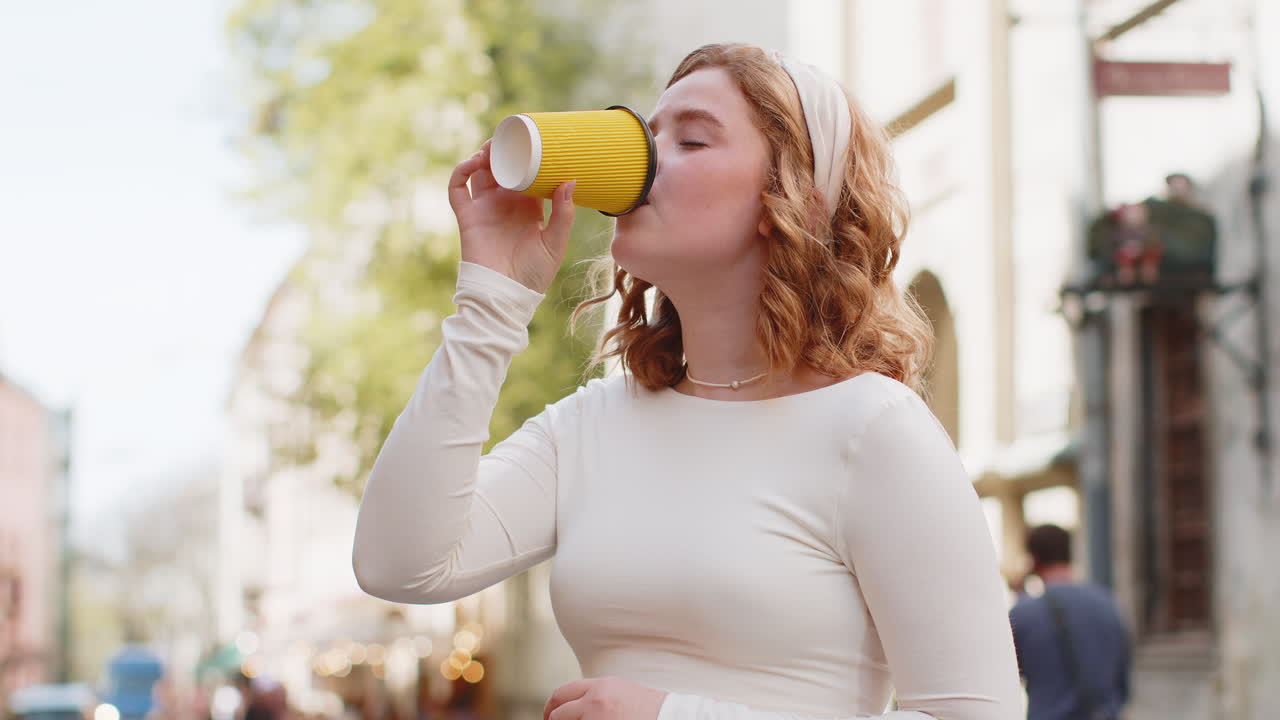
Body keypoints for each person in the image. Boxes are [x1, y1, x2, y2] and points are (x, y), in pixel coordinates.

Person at [352, 42, 1024, 720]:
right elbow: (398, 563)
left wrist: (674, 715)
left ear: (787, 199)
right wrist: (491, 302)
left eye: (692, 140)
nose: (644, 163)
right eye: (645, 137)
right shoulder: (592, 424)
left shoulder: (876, 431)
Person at [1010, 525, 1130, 720]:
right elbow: (1122, 683)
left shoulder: (1023, 615)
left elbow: (1006, 683)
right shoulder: (1109, 606)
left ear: (1034, 558)